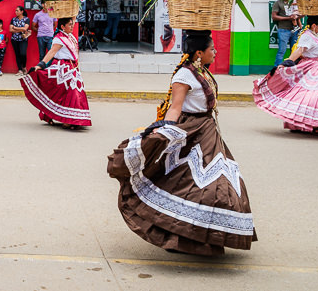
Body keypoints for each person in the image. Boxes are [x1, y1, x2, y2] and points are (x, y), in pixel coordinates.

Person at [107, 30, 256, 256]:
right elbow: (175, 107)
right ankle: (186, 238)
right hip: (191, 132)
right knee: (198, 187)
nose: (215, 52)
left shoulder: (200, 71)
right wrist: (163, 131)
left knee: (220, 185)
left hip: (208, 132)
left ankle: (205, 237)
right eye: (211, 49)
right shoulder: (184, 76)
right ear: (199, 53)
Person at [253, 15, 318, 134]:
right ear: (314, 26)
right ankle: (305, 125)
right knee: (309, 97)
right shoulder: (307, 36)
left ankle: (311, 123)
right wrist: (287, 63)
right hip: (310, 69)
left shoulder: (316, 35)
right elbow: (299, 51)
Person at [21, 17, 91, 129]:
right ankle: (69, 120)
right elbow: (52, 52)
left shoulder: (71, 37)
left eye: (72, 24)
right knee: (70, 92)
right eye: (70, 24)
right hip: (62, 67)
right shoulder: (59, 38)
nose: (72, 26)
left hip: (72, 68)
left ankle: (73, 119)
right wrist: (41, 65)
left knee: (73, 92)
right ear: (63, 27)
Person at [272, 0, 301, 66]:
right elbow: (274, 17)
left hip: (295, 30)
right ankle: (276, 70)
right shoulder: (278, 3)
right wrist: (289, 18)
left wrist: (298, 16)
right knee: (282, 51)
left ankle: (293, 69)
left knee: (295, 51)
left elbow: (300, 15)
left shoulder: (294, 2)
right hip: (283, 30)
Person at [10, 6, 31, 75]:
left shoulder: (26, 19)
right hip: (14, 39)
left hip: (23, 39)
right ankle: (20, 70)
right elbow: (10, 30)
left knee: (23, 53)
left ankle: (24, 67)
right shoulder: (13, 19)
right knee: (17, 54)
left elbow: (25, 29)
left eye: (17, 11)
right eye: (15, 11)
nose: (16, 12)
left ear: (22, 11)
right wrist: (21, 29)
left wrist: (15, 28)